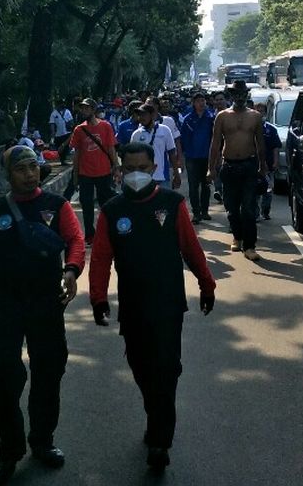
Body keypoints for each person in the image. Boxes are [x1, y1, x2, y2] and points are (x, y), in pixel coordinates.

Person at [0, 146, 85, 485]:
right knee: (2, 376)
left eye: (33, 166)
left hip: (46, 303)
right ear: (8, 174)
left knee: (48, 371)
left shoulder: (56, 207)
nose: (29, 173)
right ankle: (9, 450)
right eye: (21, 168)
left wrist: (72, 269)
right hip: (6, 306)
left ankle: (42, 441)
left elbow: (74, 240)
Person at [88, 141, 216, 473]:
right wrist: (98, 297)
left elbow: (191, 247)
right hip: (132, 305)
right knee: (141, 367)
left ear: (153, 167)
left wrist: (207, 284)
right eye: (129, 168)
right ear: (120, 170)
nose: (135, 174)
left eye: (142, 168)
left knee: (166, 369)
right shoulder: (112, 211)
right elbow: (100, 258)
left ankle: (160, 440)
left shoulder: (172, 204)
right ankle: (154, 413)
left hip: (168, 304)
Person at [208, 80, 265, 260]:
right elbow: (215, 143)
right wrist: (211, 169)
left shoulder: (255, 116)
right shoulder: (222, 116)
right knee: (231, 208)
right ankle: (237, 236)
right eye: (236, 94)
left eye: (242, 94)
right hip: (229, 165)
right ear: (231, 96)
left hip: (249, 165)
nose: (239, 97)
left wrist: (263, 166)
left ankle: (250, 246)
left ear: (246, 95)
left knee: (248, 208)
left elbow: (260, 143)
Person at [69, 98, 118, 242]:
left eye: (87, 108)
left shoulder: (106, 126)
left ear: (93, 110)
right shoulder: (79, 129)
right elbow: (77, 153)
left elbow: (111, 148)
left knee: (105, 204)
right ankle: (90, 234)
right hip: (85, 174)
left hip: (103, 172)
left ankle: (108, 230)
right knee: (87, 204)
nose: (83, 111)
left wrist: (115, 167)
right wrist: (75, 175)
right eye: (82, 108)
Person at [179, 91, 216, 224]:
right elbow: (183, 139)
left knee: (206, 185)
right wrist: (181, 157)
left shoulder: (211, 118)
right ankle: (196, 212)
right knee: (193, 186)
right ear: (193, 103)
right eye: (199, 101)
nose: (202, 103)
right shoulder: (188, 119)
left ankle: (205, 211)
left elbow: (215, 138)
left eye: (203, 101)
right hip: (192, 157)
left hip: (207, 157)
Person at [130, 104, 182, 190]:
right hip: (143, 179)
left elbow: (172, 153)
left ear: (152, 115)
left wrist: (176, 174)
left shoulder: (165, 130)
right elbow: (132, 157)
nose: (141, 117)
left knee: (164, 203)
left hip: (162, 178)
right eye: (139, 115)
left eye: (144, 114)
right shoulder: (136, 134)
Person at [249, 99, 281, 222]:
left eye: (262, 111)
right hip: (253, 165)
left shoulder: (271, 130)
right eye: (257, 111)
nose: (259, 113)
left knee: (268, 190)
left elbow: (276, 147)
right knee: (255, 191)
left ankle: (265, 211)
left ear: (265, 113)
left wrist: (276, 162)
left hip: (268, 166)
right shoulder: (249, 129)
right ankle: (256, 213)